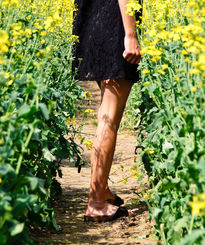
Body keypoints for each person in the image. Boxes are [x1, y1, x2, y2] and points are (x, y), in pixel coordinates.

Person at [72, 0, 141, 222]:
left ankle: (102, 190)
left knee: (106, 110)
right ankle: (96, 203)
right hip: (115, 29)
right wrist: (130, 35)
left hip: (93, 26)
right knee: (109, 117)